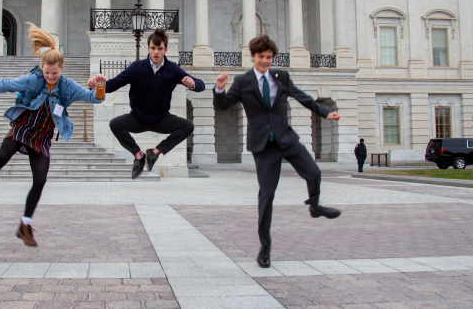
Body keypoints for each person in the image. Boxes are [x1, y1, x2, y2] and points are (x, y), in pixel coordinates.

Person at [0, 24, 107, 247]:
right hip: (22, 129)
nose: (51, 77)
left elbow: (94, 99)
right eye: (47, 73)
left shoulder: (68, 87)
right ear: (42, 68)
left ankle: (25, 225)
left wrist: (100, 87)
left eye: (55, 73)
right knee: (1, 158)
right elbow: (5, 85)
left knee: (41, 179)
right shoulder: (32, 79)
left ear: (62, 69)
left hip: (42, 138)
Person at [213, 35, 342, 269]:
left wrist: (324, 112)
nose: (265, 61)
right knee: (267, 196)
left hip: (286, 138)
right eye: (261, 57)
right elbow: (223, 106)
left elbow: (302, 97)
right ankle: (265, 247)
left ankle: (314, 206)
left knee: (314, 173)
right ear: (252, 56)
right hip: (264, 146)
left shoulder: (281, 76)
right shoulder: (243, 81)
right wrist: (219, 89)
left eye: (269, 57)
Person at [88, 29, 205, 178]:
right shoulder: (136, 68)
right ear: (148, 48)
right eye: (153, 48)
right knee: (115, 124)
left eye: (160, 48)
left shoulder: (173, 70)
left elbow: (201, 86)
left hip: (161, 119)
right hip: (138, 119)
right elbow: (113, 84)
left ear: (166, 49)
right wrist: (100, 86)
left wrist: (192, 84)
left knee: (188, 126)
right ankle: (139, 156)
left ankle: (154, 153)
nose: (156, 52)